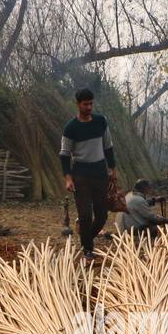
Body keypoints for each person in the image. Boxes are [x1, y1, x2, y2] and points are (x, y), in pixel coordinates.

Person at [60, 88, 116, 262]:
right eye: (86, 104)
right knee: (85, 215)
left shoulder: (101, 122)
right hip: (81, 176)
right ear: (78, 104)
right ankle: (87, 249)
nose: (89, 107)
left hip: (100, 174)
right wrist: (68, 178)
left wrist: (113, 169)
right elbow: (64, 154)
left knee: (102, 216)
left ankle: (86, 239)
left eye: (91, 103)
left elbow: (108, 146)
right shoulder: (71, 128)